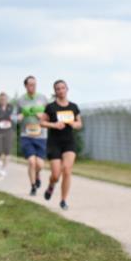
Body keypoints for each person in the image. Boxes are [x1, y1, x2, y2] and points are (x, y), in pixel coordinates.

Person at [39, 80, 82, 211]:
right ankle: (51, 185)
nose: (61, 91)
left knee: (67, 171)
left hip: (69, 142)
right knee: (56, 175)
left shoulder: (74, 107)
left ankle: (63, 200)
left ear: (67, 89)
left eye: (63, 88)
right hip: (54, 143)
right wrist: (54, 125)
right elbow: (41, 122)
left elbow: (79, 123)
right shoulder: (51, 107)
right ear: (55, 92)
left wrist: (75, 124)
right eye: (58, 89)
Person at [15, 76, 49, 195]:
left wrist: (43, 116)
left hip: (41, 135)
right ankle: (33, 186)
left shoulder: (43, 98)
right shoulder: (20, 100)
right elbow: (15, 117)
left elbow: (50, 115)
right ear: (25, 86)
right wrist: (19, 118)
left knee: (39, 164)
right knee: (31, 162)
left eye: (34, 84)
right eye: (30, 84)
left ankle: (37, 175)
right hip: (26, 135)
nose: (33, 87)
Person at [0, 92, 17, 175]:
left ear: (7, 99)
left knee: (7, 150)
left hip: (9, 130)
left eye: (4, 99)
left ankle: (3, 168)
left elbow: (16, 116)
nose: (3, 100)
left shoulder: (11, 107)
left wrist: (17, 117)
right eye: (1, 99)